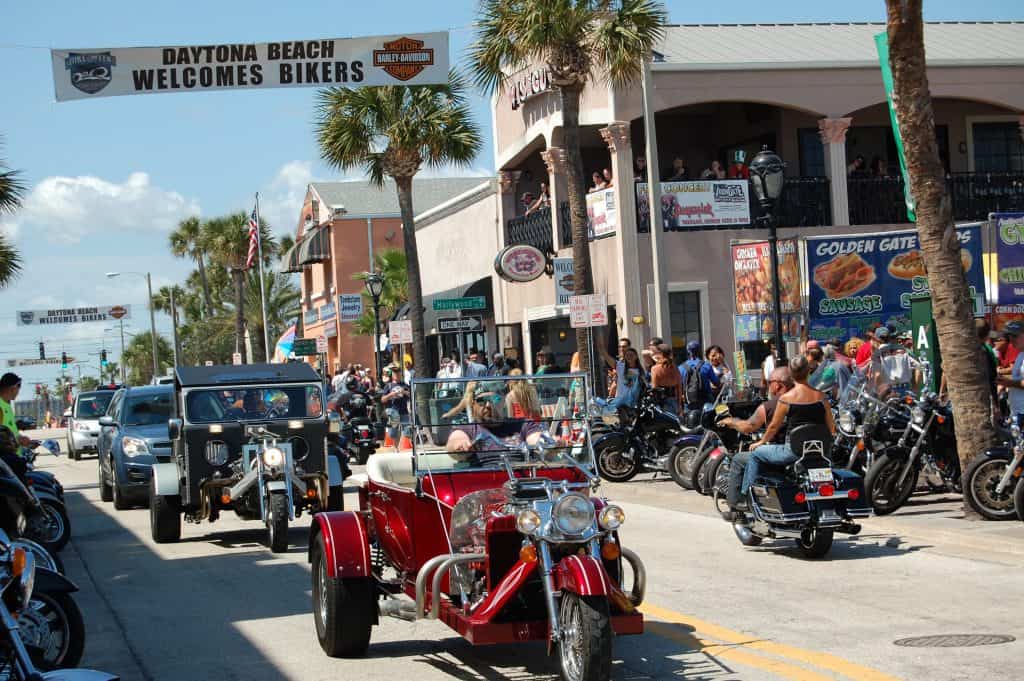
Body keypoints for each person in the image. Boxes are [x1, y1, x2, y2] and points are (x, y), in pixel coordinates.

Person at [739, 356, 837, 512]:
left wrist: (761, 442)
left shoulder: (786, 399)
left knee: (756, 454)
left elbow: (773, 427)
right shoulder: (821, 397)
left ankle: (746, 499)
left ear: (791, 373)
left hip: (792, 452)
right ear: (808, 372)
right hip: (820, 452)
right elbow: (831, 427)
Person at [720, 366, 794, 519]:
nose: (768, 385)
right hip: (807, 451)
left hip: (782, 453)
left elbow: (748, 427)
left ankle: (737, 505)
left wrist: (732, 422)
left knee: (739, 459)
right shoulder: (805, 401)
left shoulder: (770, 406)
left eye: (770, 382)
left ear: (778, 385)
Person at [446, 390, 545, 466]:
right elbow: (454, 442)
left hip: (519, 479)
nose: (488, 405)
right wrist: (461, 445)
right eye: (482, 401)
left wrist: (549, 442)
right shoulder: (467, 429)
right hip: (484, 481)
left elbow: (536, 439)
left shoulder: (521, 424)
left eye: (495, 399)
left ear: (503, 403)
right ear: (473, 406)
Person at [996, 321, 1024, 426]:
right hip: (1017, 411)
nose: (1011, 339)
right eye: (1009, 336)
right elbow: (1018, 377)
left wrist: (1009, 383)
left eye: (1015, 336)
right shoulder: (1021, 354)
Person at [379, 366, 411, 448]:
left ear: (401, 374)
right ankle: (396, 449)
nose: (396, 375)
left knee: (407, 431)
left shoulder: (405, 385)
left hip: (404, 411)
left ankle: (406, 448)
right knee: (393, 433)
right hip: (393, 411)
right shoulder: (388, 386)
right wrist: (391, 394)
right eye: (394, 373)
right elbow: (382, 399)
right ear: (392, 375)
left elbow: (411, 395)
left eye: (398, 373)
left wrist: (403, 392)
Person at [0, 374, 30, 451]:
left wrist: (20, 437)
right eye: (18, 388)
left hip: (13, 456)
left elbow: (8, 431)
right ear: (12, 388)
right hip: (6, 459)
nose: (18, 392)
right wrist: (18, 441)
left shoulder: (6, 405)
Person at [650, 344, 682, 415]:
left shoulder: (655, 369)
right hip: (674, 401)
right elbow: (679, 387)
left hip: (662, 403)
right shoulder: (675, 367)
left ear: (660, 354)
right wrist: (679, 404)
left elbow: (654, 389)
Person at [700, 345, 730, 410]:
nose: (715, 358)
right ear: (708, 357)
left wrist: (723, 363)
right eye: (713, 356)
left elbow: (729, 379)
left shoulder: (724, 365)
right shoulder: (706, 367)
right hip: (711, 399)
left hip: (723, 397)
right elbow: (711, 385)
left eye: (717, 355)